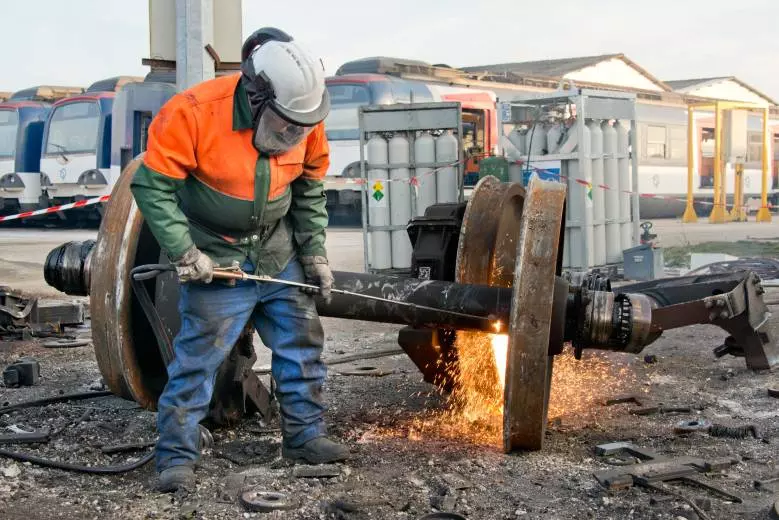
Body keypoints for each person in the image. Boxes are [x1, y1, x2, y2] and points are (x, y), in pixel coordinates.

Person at [130, 27, 348, 493]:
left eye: (302, 127)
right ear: (256, 97)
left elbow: (310, 190)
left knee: (302, 344)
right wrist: (185, 251)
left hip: (277, 250)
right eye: (286, 126)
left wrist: (315, 254)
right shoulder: (192, 114)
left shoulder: (304, 114)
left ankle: (305, 437)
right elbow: (152, 187)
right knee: (198, 360)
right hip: (218, 255)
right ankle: (176, 457)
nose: (295, 135)